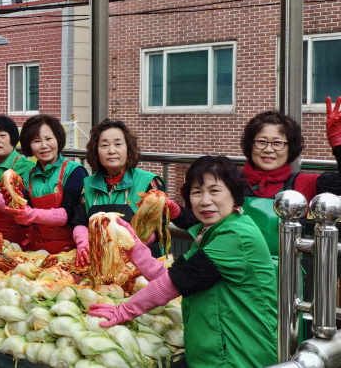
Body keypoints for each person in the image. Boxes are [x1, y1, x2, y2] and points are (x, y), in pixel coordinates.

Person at [88, 155, 277, 368]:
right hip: (213, 352)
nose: (205, 200)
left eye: (215, 191)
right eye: (197, 192)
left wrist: (123, 311)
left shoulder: (235, 236)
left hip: (240, 356)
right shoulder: (212, 231)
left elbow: (172, 284)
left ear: (235, 195)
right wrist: (132, 243)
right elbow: (170, 277)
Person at [172, 103, 341, 257]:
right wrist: (173, 211)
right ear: (250, 145)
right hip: (232, 273)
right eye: (261, 142)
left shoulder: (304, 183)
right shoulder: (231, 181)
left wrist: (338, 145)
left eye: (277, 143)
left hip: (285, 278)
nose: (268, 149)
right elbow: (202, 220)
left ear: (291, 148)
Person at [71, 119, 177, 266]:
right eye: (104, 145)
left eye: (118, 144)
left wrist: (131, 246)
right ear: (96, 151)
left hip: (141, 263)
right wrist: (83, 243)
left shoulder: (149, 183)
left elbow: (158, 231)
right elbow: (80, 223)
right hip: (99, 262)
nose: (111, 150)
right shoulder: (88, 185)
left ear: (128, 148)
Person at [2, 114, 87, 253]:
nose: (44, 146)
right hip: (38, 250)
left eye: (49, 139)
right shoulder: (25, 176)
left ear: (58, 140)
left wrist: (31, 214)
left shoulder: (75, 171)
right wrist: (15, 208)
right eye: (37, 141)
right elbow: (24, 223)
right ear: (29, 145)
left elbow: (71, 215)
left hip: (71, 249)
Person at [0, 115, 36, 245]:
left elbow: (23, 205)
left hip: (20, 237)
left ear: (13, 139)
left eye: (2, 136)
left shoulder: (26, 166)